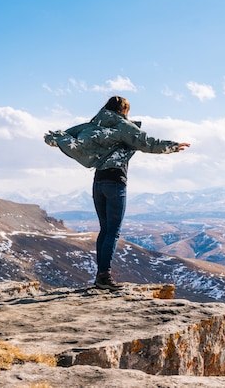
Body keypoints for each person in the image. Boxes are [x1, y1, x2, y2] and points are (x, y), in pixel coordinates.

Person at [44, 96, 190, 290]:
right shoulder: (123, 127)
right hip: (115, 183)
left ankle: (100, 276)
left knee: (104, 230)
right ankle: (104, 276)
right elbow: (147, 142)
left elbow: (62, 137)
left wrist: (52, 138)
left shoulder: (91, 126)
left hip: (98, 183)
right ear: (124, 110)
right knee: (113, 231)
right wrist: (173, 146)